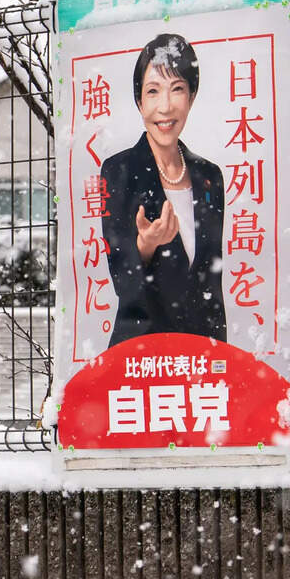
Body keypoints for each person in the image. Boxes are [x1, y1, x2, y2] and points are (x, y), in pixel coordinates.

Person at [100, 33, 227, 349]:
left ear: (192, 97)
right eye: (153, 91)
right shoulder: (119, 171)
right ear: (139, 101)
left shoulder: (209, 176)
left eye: (177, 89)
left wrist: (220, 354)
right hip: (141, 352)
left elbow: (212, 283)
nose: (165, 106)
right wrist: (145, 244)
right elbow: (123, 279)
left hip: (201, 354)